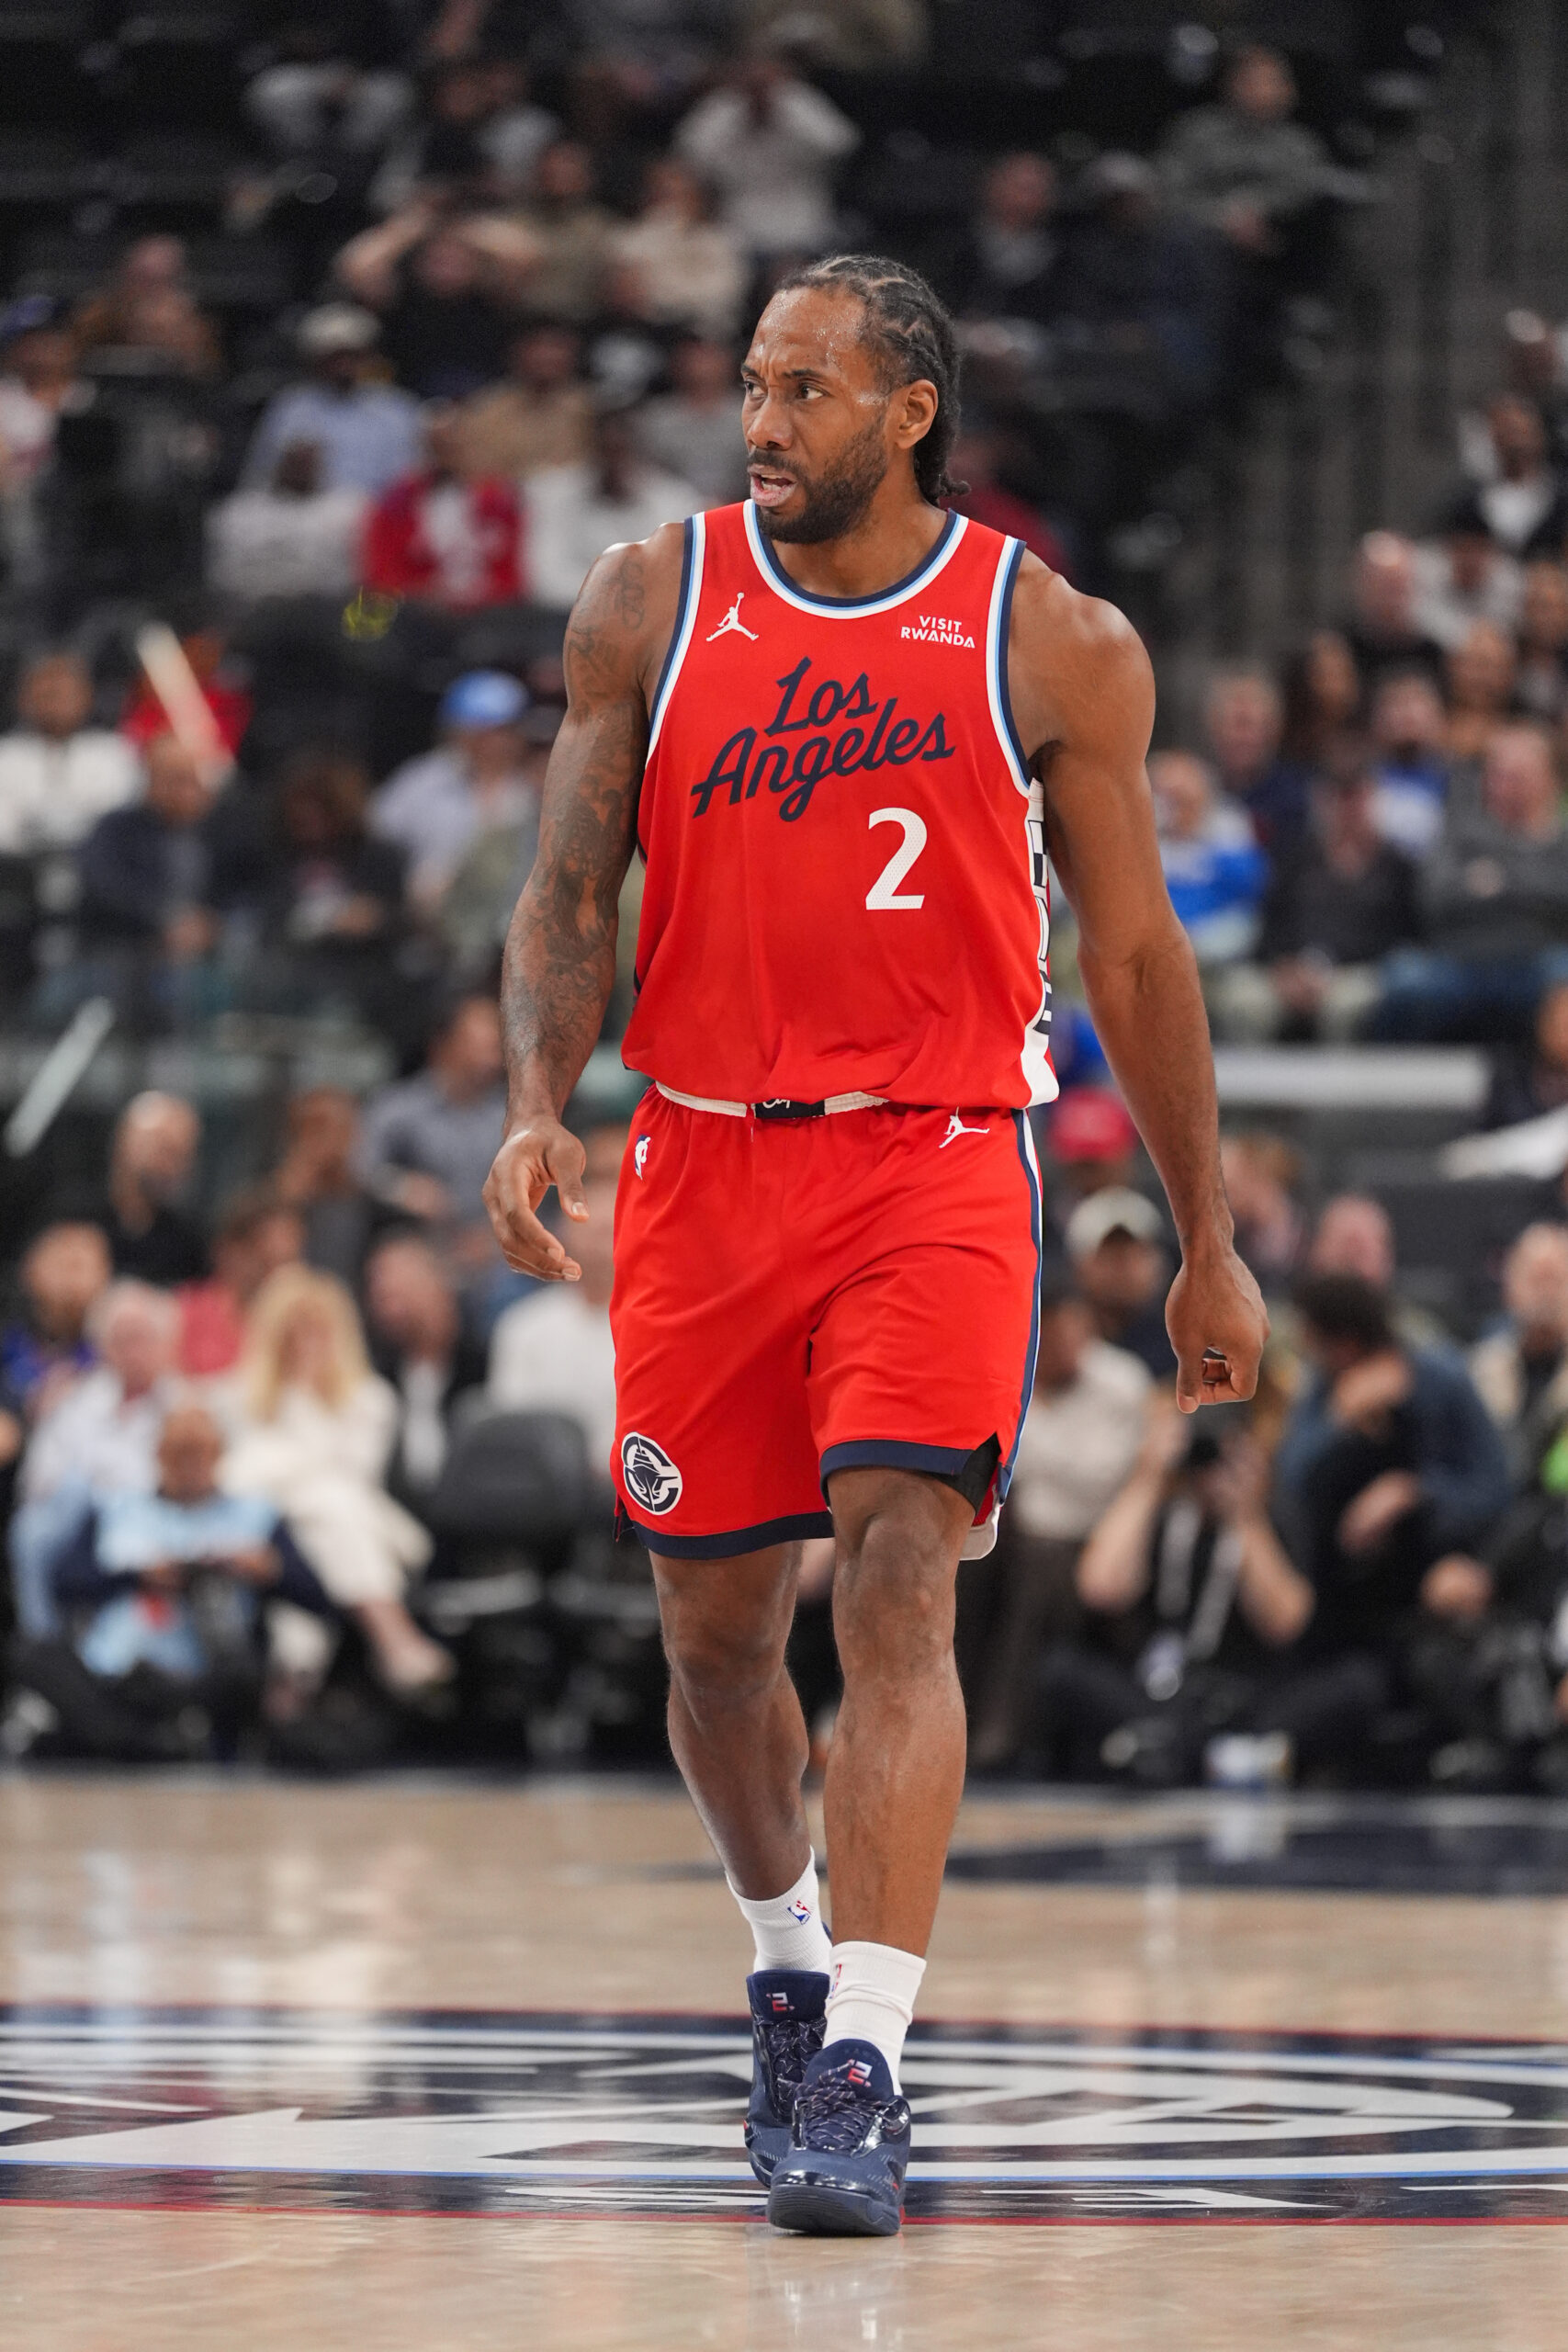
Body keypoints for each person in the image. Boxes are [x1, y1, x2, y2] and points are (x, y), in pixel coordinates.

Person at [481, 253, 1265, 2234]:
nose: (762, 419)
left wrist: (1203, 1234)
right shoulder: (648, 600)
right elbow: (570, 883)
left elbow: (1138, 954)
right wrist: (530, 1101)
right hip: (700, 1157)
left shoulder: (1048, 636)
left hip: (933, 1155)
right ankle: (781, 1951)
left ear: (908, 408)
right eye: (752, 382)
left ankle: (864, 2060)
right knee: (715, 1634)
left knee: (897, 1582)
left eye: (805, 387)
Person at [1037, 1402, 1322, 1786]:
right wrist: (1148, 1477)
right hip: (1156, 1691)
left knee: (1354, 1685)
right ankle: (1183, 1749)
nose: (1208, 1466)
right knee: (1062, 1668)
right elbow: (1100, 1588)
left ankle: (1179, 1750)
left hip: (1241, 1696)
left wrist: (1246, 1517)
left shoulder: (1274, 1516)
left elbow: (1286, 1623)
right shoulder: (1164, 1510)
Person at [45, 1400, 335, 1758]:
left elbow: (319, 1598)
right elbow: (63, 1582)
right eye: (178, 1453)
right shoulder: (117, 1508)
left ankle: (154, 1742)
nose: (189, 1465)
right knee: (36, 1656)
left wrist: (268, 1570)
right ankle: (143, 1741)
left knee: (244, 1676)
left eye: (200, 1453)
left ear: (220, 1455)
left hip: (206, 1675)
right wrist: (138, 1576)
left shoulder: (255, 1516)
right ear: (158, 1454)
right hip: (119, 1669)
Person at [220, 1264, 451, 1693]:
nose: (308, 1344)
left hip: (351, 1526)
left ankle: (295, 1676)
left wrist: (291, 1444)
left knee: (329, 1505)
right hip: (273, 1531)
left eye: (318, 1332)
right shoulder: (241, 1398)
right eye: (295, 1333)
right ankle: (393, 1637)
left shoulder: (371, 1400)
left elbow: (351, 1473)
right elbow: (239, 1479)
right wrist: (296, 1396)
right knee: (326, 1503)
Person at [1275, 1272, 1508, 1669]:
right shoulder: (1324, 1390)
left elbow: (1497, 1487)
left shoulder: (1442, 1380)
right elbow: (1290, 1479)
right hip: (1341, 1597)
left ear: (1345, 1342)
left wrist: (1413, 1492)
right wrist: (1337, 1422)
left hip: (1433, 1579)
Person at [968, 1269, 1150, 1769]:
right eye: (1055, 1334)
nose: (1072, 1347)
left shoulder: (1120, 1382)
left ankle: (1000, 1730)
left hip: (1094, 1545)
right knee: (969, 1552)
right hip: (1017, 1534)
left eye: (1078, 1331)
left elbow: (1097, 1479)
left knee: (1037, 1561)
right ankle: (953, 1715)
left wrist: (1032, 1434)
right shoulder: (1005, 1374)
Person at [8, 1279, 181, 1638]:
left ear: (165, 1343)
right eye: (120, 1340)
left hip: (151, 1517)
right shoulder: (77, 1401)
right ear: (104, 1347)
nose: (132, 1351)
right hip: (80, 1517)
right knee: (31, 1529)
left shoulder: (185, 1408)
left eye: (142, 1337)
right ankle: (42, 1647)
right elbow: (39, 1477)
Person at [1379, 722, 1568, 1043]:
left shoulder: (1562, 840)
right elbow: (1434, 897)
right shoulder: (1458, 830)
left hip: (1537, 963)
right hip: (1458, 964)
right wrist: (1527, 891)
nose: (1501, 786)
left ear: (1549, 780)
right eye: (1496, 774)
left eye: (1516, 776)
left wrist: (1499, 880)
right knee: (1403, 978)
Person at [1213, 754, 1419, 1043]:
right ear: (1321, 800)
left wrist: (1332, 971)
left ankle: (1348, 1087)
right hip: (1291, 970)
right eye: (1337, 797)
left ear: (1372, 799)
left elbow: (1403, 935)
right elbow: (1270, 924)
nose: (1347, 809)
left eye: (1355, 797)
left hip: (1359, 971)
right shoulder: (1295, 858)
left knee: (1347, 1006)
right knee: (1242, 998)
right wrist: (1283, 967)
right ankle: (1256, 1088)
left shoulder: (1396, 866)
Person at [488, 1149, 617, 1470]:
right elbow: (511, 1425)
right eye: (591, 1228)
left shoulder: (662, 1332)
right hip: (539, 1494)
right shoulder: (523, 1327)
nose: (601, 1242)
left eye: (611, 1230)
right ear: (563, 1231)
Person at [372, 670, 536, 911]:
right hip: (422, 922)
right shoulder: (422, 781)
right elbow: (379, 837)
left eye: (505, 730)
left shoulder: (533, 784)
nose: (497, 741)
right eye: (484, 731)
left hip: (509, 920)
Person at [674, 50, 858, 263]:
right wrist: (741, 120)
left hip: (803, 225)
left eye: (765, 83)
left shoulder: (799, 103)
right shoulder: (723, 109)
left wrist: (783, 110)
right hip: (737, 228)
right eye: (752, 81)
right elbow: (689, 156)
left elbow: (840, 144)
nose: (758, 90)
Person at [359, 993, 507, 1254]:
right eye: (478, 1046)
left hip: (494, 1253)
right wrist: (404, 1189)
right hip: (416, 1245)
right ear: (443, 1045)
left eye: (495, 1046)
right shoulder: (399, 1108)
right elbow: (360, 1169)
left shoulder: (512, 1117)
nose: (491, 1059)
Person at [525, 405, 699, 611]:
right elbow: (545, 582)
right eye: (606, 452)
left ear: (640, 454)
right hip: (570, 620)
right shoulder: (552, 496)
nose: (614, 462)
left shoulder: (676, 501)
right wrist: (617, 598)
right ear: (591, 453)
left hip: (653, 623)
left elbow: (681, 582)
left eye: (621, 451)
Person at [240, 305, 423, 498]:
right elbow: (261, 474)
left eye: (351, 356)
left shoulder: (396, 408)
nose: (343, 366)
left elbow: (413, 475)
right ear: (314, 360)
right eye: (334, 357)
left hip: (380, 511)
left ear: (367, 355)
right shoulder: (291, 406)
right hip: (309, 512)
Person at [362, 407, 525, 611]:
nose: (446, 456)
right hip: (418, 610)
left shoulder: (500, 501)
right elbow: (382, 572)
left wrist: (484, 596)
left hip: (488, 613)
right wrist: (421, 593)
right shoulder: (397, 502)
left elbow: (514, 573)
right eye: (437, 447)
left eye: (454, 446)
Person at [363, 1232, 485, 1505]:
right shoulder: (377, 1374)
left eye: (402, 1290)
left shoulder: (482, 1364)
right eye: (381, 1295)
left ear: (438, 1285)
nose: (389, 1305)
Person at [0, 650, 141, 856]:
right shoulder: (6, 756)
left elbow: (120, 819)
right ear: (25, 699)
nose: (55, 705)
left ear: (86, 697)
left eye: (65, 695)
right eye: (47, 695)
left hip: (98, 864)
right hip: (17, 868)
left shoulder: (115, 753)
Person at [206, 440, 367, 605]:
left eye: (306, 462)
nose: (299, 469)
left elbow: (356, 578)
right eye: (294, 461)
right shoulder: (238, 513)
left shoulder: (348, 512)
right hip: (250, 609)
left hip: (322, 612)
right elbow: (223, 577)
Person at [1148, 749, 1267, 970]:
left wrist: (1196, 832)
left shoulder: (1228, 822)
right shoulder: (1145, 830)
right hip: (1159, 934)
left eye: (1182, 799)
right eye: (1168, 797)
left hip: (1216, 928)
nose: (1175, 808)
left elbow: (1251, 883)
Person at [610, 156, 747, 342]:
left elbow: (725, 294)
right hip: (648, 333)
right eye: (665, 193)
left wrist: (659, 295)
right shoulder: (630, 239)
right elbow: (631, 296)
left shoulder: (723, 239)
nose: (674, 204)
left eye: (682, 193)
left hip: (708, 333)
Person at [1469, 1223, 1568, 1477]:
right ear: (1510, 1286)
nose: (1546, 1293)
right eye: (1536, 1279)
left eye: (1556, 1279)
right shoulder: (1479, 1370)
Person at [271, 1086, 391, 1290]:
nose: (331, 1139)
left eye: (342, 1127)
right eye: (317, 1128)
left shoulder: (376, 1209)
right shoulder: (272, 1203)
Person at [83, 1091, 208, 1285]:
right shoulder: (76, 1218)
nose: (171, 1166)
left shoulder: (186, 1241)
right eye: (164, 1149)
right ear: (124, 1143)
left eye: (183, 1154)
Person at [176, 1187, 303, 1378]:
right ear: (232, 1249)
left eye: (288, 1260)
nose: (276, 1275)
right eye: (265, 1257)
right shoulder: (190, 1310)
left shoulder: (301, 1320)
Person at [1065, 1187, 1178, 1381]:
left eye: (1136, 1253)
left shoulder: (1185, 1340)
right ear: (1079, 1266)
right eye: (1110, 1255)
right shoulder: (1061, 1346)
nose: (1124, 1268)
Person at [1, 1221, 110, 1424]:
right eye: (61, 1265)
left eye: (78, 1267)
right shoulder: (10, 1338)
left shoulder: (108, 1350)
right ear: (31, 1270)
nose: (70, 1281)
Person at [457, 324, 592, 481]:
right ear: (517, 353)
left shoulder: (592, 408)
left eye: (556, 347)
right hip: (510, 495)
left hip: (578, 496)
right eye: (537, 346)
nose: (546, 356)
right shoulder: (488, 408)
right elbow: (475, 469)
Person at [637, 336, 750, 508]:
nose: (702, 366)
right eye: (694, 358)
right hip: (670, 510)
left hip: (743, 507)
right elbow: (647, 475)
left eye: (710, 357)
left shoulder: (751, 414)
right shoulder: (657, 419)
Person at [1368, 668, 1450, 857]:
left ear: (1438, 715)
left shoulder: (1460, 783)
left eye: (1416, 702)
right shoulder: (1360, 781)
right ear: (1378, 718)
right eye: (1396, 704)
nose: (1407, 714)